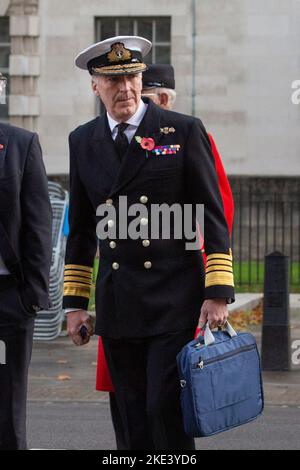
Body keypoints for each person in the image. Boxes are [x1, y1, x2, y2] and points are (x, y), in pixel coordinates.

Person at [63, 36, 235, 450]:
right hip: (119, 301)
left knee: (165, 408)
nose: (125, 89)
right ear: (95, 85)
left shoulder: (182, 130)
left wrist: (218, 292)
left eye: (133, 77)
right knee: (130, 412)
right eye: (112, 80)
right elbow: (84, 229)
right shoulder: (82, 140)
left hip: (173, 297)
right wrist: (74, 305)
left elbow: (213, 215)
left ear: (142, 78)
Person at [0, 72, 52, 450]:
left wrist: (31, 296)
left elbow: (38, 225)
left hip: (7, 300)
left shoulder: (20, 144)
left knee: (7, 406)